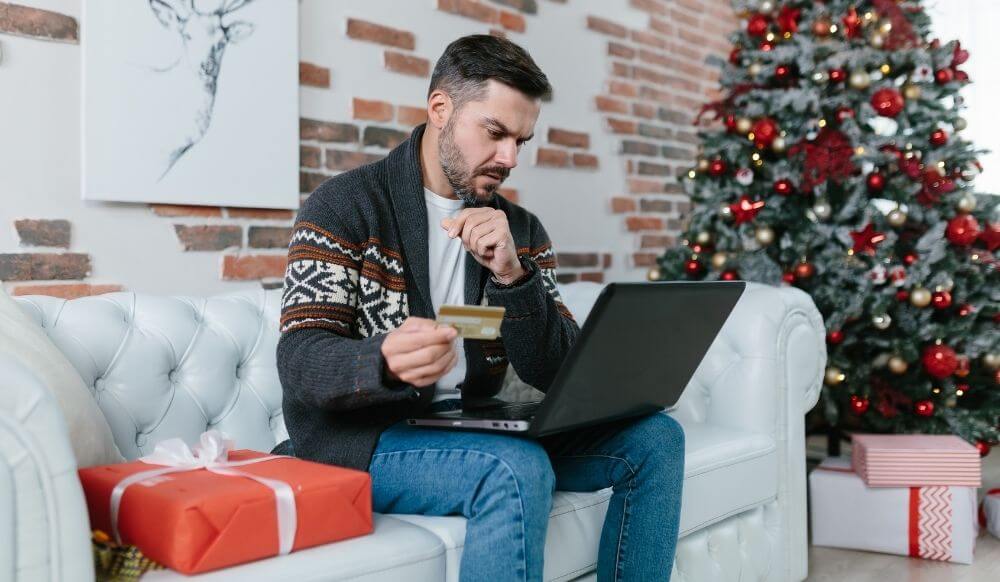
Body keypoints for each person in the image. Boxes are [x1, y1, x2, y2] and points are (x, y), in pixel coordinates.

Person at [276, 34, 685, 582]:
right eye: (495, 133)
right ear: (440, 109)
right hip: (367, 438)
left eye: (521, 140)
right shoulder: (346, 206)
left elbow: (555, 370)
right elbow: (300, 357)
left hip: (467, 425)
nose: (510, 158)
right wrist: (382, 362)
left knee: (658, 440)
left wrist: (514, 278)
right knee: (514, 469)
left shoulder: (519, 229)